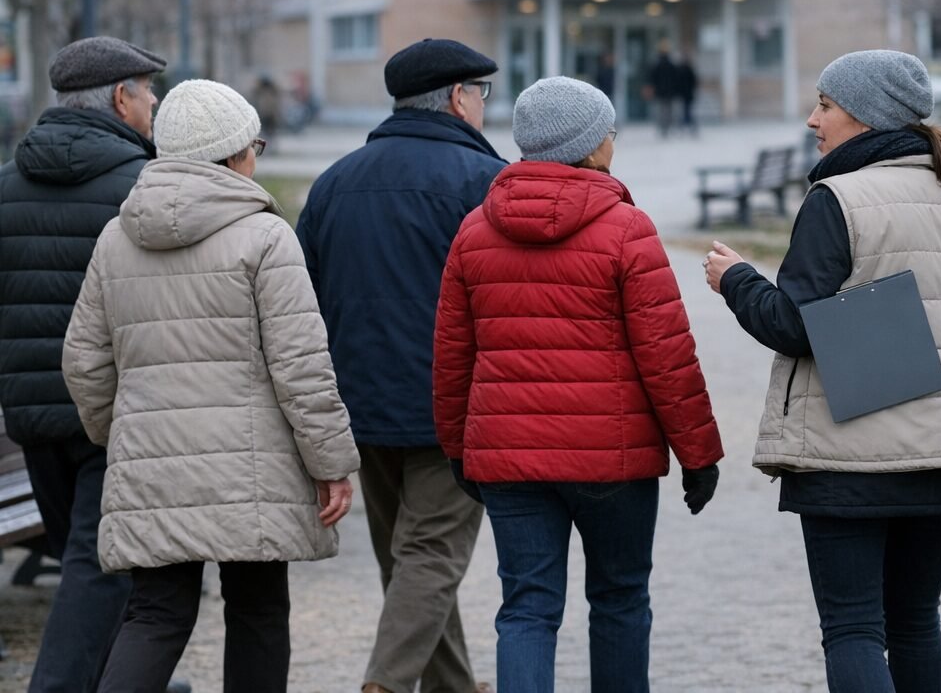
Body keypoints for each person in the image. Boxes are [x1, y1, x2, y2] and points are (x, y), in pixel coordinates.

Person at [702, 49, 941, 693]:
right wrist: (919, 345)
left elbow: (793, 326)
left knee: (853, 630)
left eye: (825, 105)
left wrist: (736, 280)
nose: (812, 119)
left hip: (848, 458)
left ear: (866, 115)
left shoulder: (837, 199)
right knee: (916, 622)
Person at [62, 79, 360, 693]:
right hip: (253, 470)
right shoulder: (265, 237)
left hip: (152, 464)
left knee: (156, 613)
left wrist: (123, 435)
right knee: (257, 609)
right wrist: (331, 463)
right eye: (255, 146)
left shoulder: (118, 237)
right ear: (233, 155)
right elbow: (301, 366)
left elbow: (83, 361)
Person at [434, 75, 724, 693]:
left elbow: (453, 356)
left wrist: (458, 448)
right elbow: (667, 355)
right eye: (610, 132)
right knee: (619, 598)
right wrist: (698, 455)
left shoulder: (475, 230)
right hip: (611, 461)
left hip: (508, 458)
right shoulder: (627, 228)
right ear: (591, 145)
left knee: (526, 608)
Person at [296, 38, 505, 693]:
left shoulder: (334, 183)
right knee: (431, 556)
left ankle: (450, 686)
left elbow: (305, 298)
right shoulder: (484, 182)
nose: (483, 105)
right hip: (454, 405)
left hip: (362, 404)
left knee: (409, 560)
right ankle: (383, 685)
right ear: (457, 99)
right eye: (481, 93)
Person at [0, 36, 193, 693]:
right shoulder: (142, 187)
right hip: (115, 412)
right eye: (148, 91)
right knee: (102, 567)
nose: (154, 103)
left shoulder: (7, 184)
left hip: (32, 417)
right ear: (119, 98)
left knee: (87, 561)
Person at [646, 42, 677, 137]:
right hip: (669, 91)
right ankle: (666, 127)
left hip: (660, 91)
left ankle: (663, 127)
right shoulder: (670, 64)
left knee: (661, 111)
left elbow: (652, 78)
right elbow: (675, 79)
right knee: (668, 111)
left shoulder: (657, 64)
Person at [676, 52, 699, 135]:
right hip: (686, 94)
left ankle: (686, 125)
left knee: (686, 110)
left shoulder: (683, 69)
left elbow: (693, 82)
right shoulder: (687, 69)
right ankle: (686, 125)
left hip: (685, 94)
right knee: (686, 110)